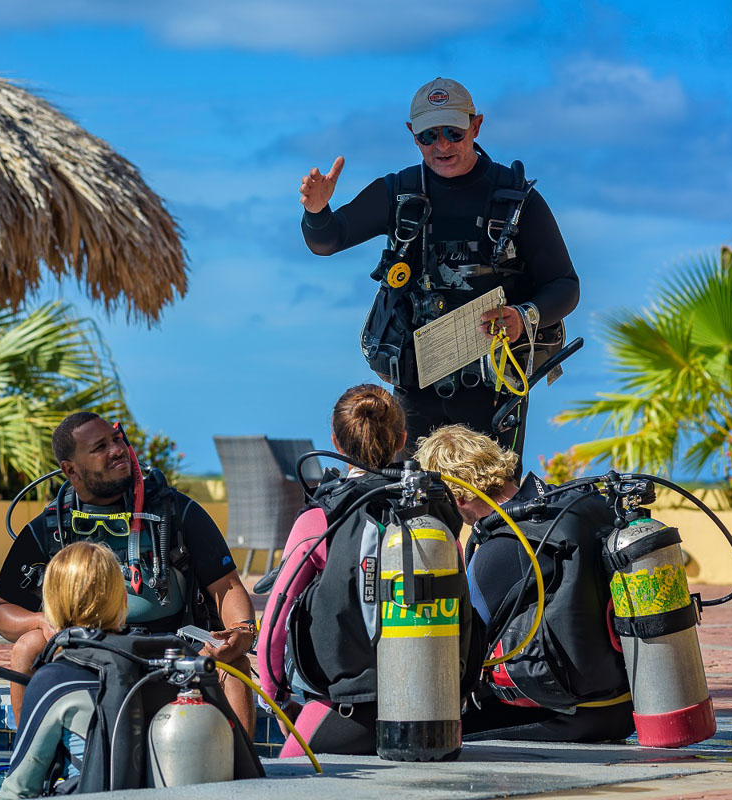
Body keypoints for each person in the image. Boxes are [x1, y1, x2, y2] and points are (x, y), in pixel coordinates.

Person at [300, 76, 580, 458]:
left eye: (454, 131)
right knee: (417, 507)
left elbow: (564, 285)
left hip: (495, 388)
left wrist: (523, 315)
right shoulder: (399, 192)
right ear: (412, 134)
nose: (442, 145)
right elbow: (328, 239)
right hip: (417, 388)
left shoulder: (516, 200)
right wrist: (317, 211)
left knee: (491, 507)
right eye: (429, 136)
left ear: (476, 125)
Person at [0, 412, 256, 734]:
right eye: (100, 447)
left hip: (171, 646)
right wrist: (39, 622)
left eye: (116, 439)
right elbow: (1, 610)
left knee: (236, 665)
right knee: (26, 647)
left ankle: (241, 774)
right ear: (70, 469)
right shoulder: (50, 528)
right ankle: (30, 760)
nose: (116, 450)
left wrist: (240, 631)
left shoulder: (176, 512)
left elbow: (226, 586)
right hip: (87, 649)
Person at [260, 384, 470, 756]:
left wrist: (275, 697)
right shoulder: (435, 513)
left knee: (283, 776)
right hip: (435, 713)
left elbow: (275, 621)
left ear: (336, 444)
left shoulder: (322, 517)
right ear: (403, 439)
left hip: (344, 711)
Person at [415, 424, 634, 742]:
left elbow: (463, 654)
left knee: (433, 733)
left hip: (572, 715)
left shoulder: (496, 551)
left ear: (457, 497)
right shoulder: (567, 508)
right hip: (626, 705)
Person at [0, 542, 125, 799]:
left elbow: (18, 788)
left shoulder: (55, 680)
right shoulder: (160, 663)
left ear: (51, 605)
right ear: (123, 599)